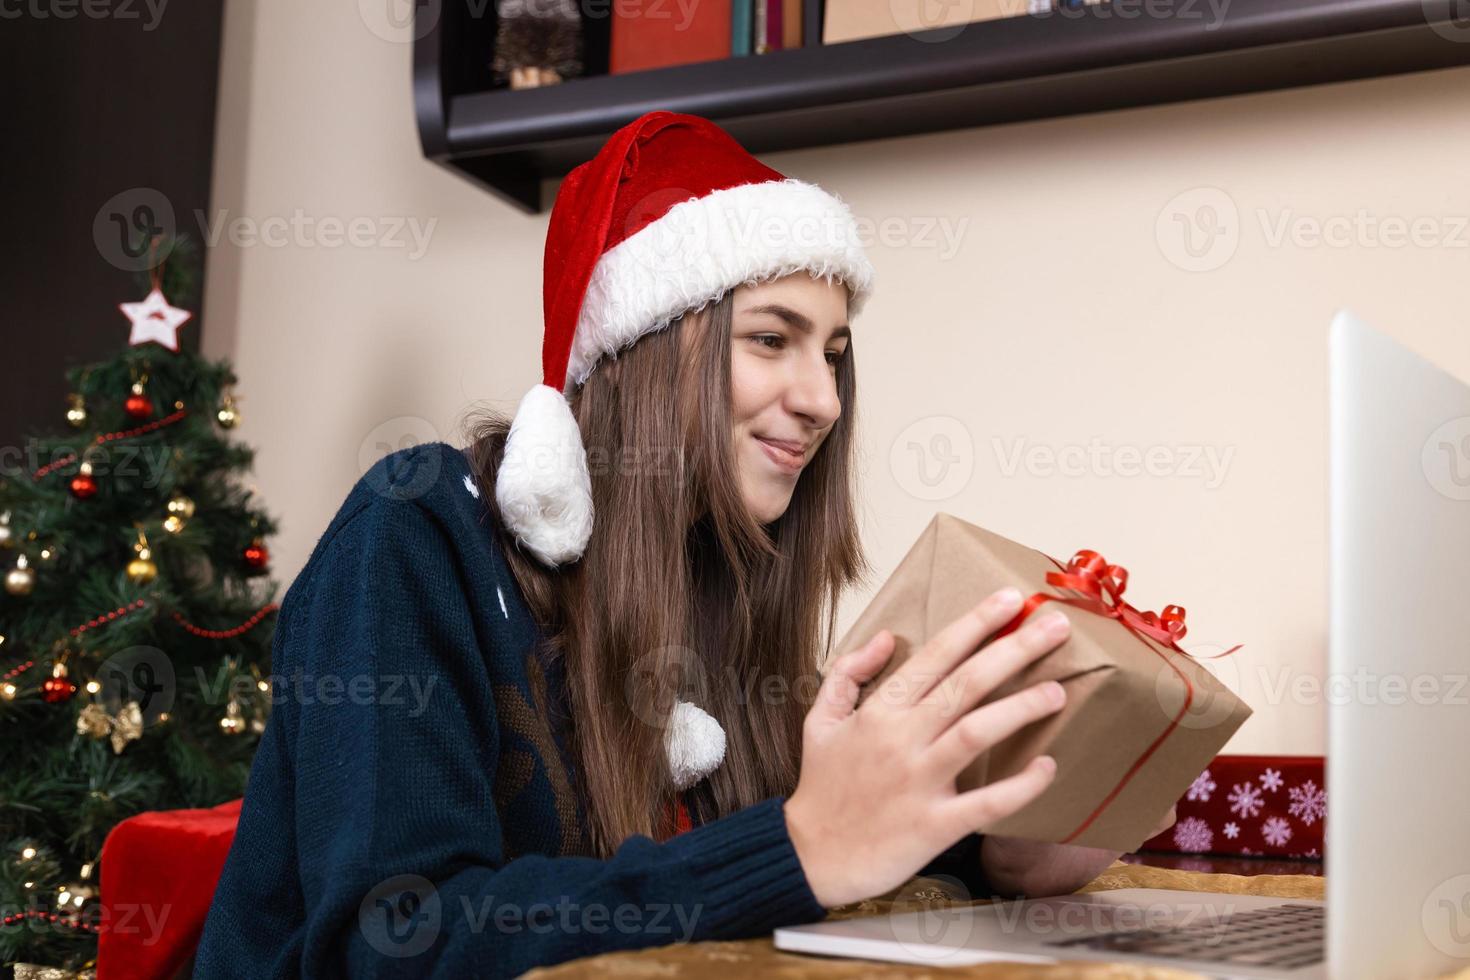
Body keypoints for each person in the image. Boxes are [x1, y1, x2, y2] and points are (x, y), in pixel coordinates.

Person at [193, 110, 1172, 978]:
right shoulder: (415, 533)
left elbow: (798, 849)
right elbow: (393, 941)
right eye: (772, 339)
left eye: (833, 354)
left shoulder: (730, 581)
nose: (824, 400)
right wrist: (797, 844)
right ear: (649, 347)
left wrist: (996, 853)